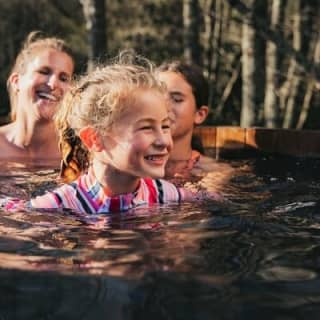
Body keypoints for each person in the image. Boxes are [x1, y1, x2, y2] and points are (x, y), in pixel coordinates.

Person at [1, 53, 221, 214]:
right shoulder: (62, 203)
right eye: (146, 127)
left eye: (164, 126)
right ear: (94, 139)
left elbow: (214, 201)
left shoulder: (166, 194)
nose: (164, 141)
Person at [0, 31, 74, 165]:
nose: (53, 84)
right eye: (44, 72)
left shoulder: (77, 154)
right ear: (16, 81)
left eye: (63, 78)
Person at [156, 60, 229, 180]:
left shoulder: (213, 173)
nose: (163, 105)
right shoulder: (132, 165)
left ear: (200, 114)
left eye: (177, 99)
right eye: (157, 97)